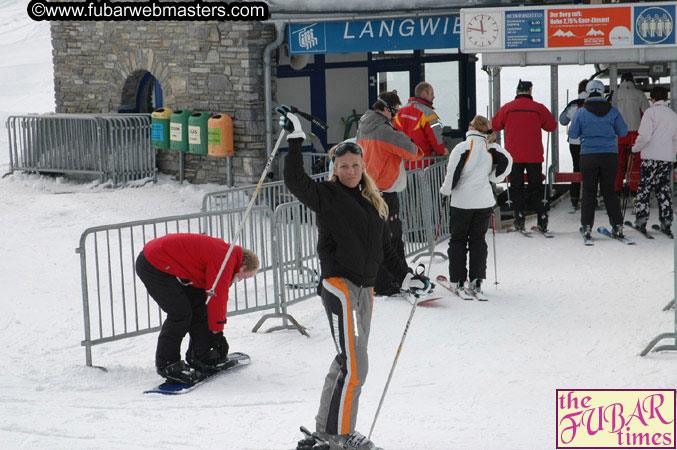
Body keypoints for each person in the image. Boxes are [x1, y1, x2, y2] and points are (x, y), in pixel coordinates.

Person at [280, 107, 429, 450]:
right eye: (343, 166)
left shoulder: (373, 203)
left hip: (365, 291)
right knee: (356, 364)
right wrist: (296, 140)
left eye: (354, 165)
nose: (349, 171)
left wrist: (406, 278)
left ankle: (326, 431)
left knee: (346, 361)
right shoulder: (327, 196)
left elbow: (386, 252)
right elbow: (295, 181)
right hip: (340, 287)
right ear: (335, 168)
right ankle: (342, 435)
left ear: (363, 167)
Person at [135, 233, 259, 384]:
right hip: (153, 263)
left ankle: (202, 354)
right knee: (180, 314)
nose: (240, 280)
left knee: (199, 307)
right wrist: (217, 333)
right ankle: (168, 364)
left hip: (169, 262)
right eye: (244, 277)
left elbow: (207, 300)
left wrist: (212, 336)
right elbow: (217, 298)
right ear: (243, 267)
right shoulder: (225, 261)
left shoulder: (227, 256)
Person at [357, 90, 423, 296]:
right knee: (390, 236)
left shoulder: (364, 126)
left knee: (382, 235)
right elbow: (414, 153)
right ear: (385, 109)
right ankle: (388, 282)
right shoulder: (385, 131)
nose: (395, 117)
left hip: (369, 188)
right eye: (394, 113)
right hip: (384, 191)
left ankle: (399, 275)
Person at [440, 115, 512, 295]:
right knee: (478, 240)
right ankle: (476, 280)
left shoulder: (462, 147)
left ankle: (456, 280)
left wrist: (445, 192)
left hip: (462, 202)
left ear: (473, 127)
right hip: (483, 202)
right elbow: (508, 160)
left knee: (458, 241)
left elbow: (452, 174)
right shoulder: (491, 148)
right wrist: (494, 177)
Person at [492, 79, 557, 232]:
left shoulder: (508, 108)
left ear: (517, 91)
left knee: (516, 187)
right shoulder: (538, 108)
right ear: (530, 91)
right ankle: (542, 217)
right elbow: (551, 126)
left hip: (513, 156)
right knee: (536, 187)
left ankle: (519, 217)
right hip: (534, 155)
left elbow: (495, 125)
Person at [568, 80, 629, 240]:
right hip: (610, 155)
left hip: (588, 155)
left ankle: (587, 227)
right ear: (602, 93)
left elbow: (573, 134)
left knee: (588, 191)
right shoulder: (613, 111)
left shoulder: (581, 112)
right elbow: (623, 132)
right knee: (609, 191)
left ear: (588, 93)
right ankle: (617, 225)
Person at [631, 86, 677, 235]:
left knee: (644, 187)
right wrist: (673, 154)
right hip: (666, 158)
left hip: (650, 156)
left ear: (653, 98)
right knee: (663, 188)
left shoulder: (650, 113)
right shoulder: (672, 115)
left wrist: (635, 149)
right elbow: (675, 139)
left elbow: (644, 136)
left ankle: (642, 220)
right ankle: (666, 221)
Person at [394, 82, 449, 169]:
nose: (433, 97)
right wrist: (442, 151)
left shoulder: (400, 112)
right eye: (432, 94)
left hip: (403, 164)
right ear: (424, 94)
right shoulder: (428, 114)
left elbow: (394, 136)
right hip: (423, 163)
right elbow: (435, 138)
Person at [614, 72, 650, 198]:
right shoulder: (639, 94)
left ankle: (616, 190)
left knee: (618, 163)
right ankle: (634, 190)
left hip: (618, 134)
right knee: (635, 163)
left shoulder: (615, 94)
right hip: (635, 133)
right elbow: (647, 113)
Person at [559, 79, 589, 211]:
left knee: (576, 167)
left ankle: (574, 197)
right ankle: (591, 197)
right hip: (590, 142)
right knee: (591, 169)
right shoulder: (595, 104)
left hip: (574, 142)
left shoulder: (573, 105)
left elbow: (562, 121)